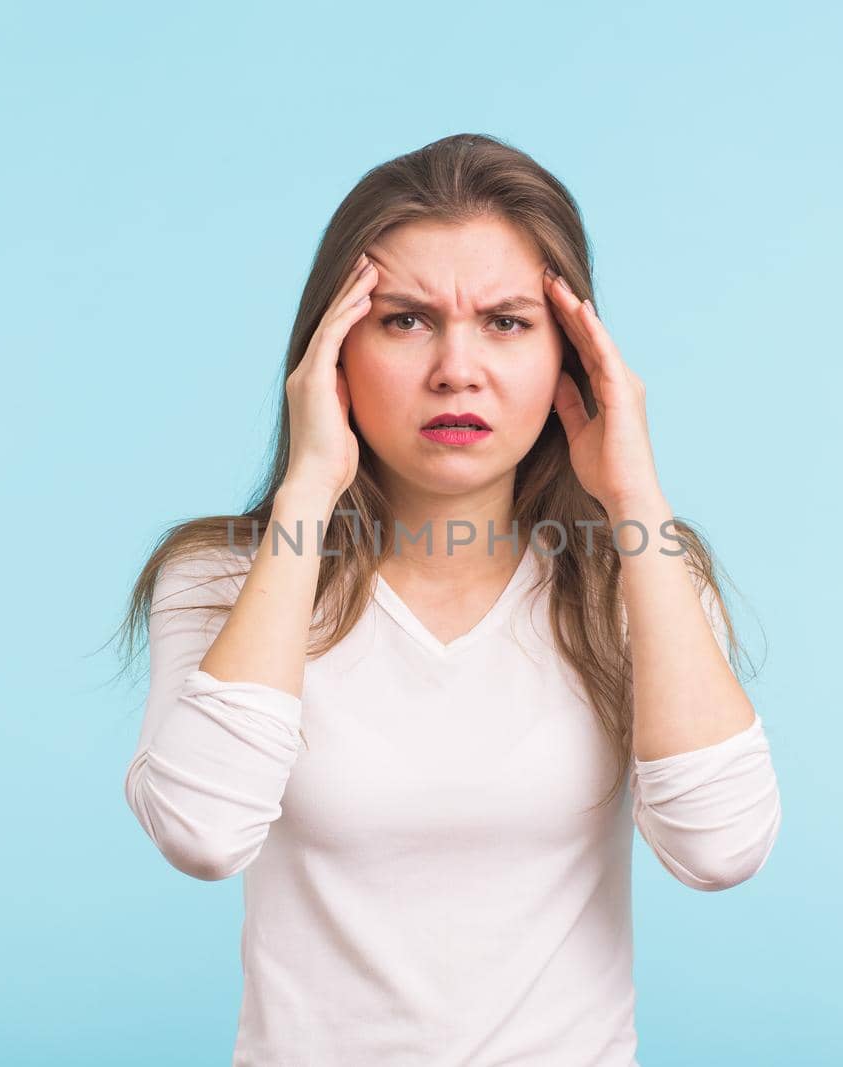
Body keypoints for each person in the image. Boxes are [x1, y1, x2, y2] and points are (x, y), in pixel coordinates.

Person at [118, 133, 782, 1066]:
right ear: (331, 351)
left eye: (508, 322)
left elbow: (719, 848)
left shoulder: (638, 576)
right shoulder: (223, 579)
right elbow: (203, 833)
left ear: (571, 359)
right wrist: (306, 497)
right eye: (406, 321)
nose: (456, 370)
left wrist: (637, 505)